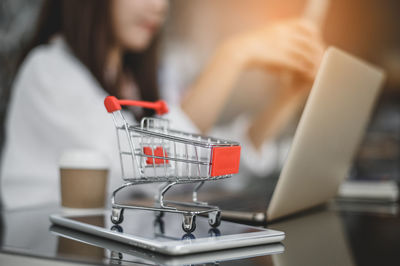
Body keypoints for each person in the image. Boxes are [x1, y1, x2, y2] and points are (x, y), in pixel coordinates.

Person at [0, 0, 324, 209]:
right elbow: (152, 167)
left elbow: (205, 161)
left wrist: (288, 99)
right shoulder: (49, 71)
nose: (159, 6)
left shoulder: (136, 80)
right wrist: (232, 57)